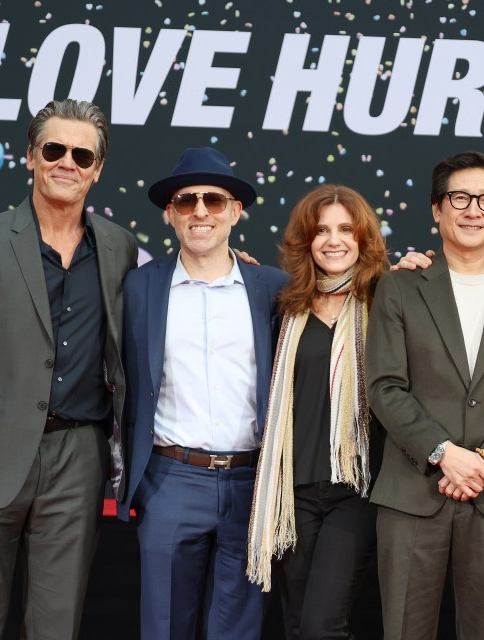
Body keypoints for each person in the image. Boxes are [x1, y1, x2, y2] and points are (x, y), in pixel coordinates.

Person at [0, 99, 138, 639]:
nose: (67, 162)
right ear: (31, 157)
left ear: (97, 170)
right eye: (54, 149)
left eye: (81, 155)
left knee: (56, 623)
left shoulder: (119, 248)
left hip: (78, 459)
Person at [365, 150, 484, 640]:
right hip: (413, 493)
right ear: (437, 209)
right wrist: (444, 453)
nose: (474, 209)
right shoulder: (399, 287)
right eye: (460, 197)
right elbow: (385, 386)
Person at [117, 147, 288, 640]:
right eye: (186, 200)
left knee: (238, 630)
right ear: (169, 213)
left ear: (235, 212)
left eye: (214, 200)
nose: (200, 211)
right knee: (165, 626)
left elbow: (348, 302)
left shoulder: (274, 289)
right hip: (170, 479)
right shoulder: (136, 289)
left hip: (253, 484)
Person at [247, 184, 388, 639]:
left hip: (357, 491)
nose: (333, 240)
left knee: (321, 624)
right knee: (296, 625)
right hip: (294, 492)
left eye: (346, 229)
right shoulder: (285, 307)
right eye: (321, 230)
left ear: (363, 238)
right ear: (305, 240)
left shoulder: (388, 300)